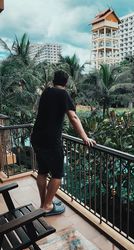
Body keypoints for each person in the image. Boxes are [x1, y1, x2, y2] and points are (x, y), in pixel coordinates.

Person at [31, 70, 96, 216]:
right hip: (50, 140)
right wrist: (85, 137)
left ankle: (44, 203)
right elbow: (73, 117)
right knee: (57, 175)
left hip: (37, 138)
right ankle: (47, 205)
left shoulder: (46, 92)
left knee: (42, 171)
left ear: (54, 81)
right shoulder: (63, 94)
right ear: (66, 83)